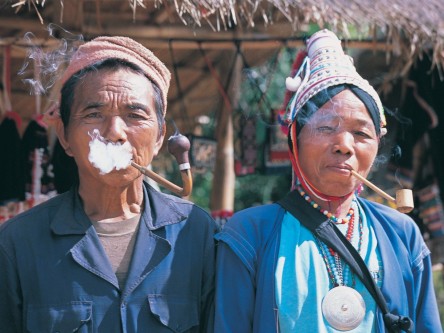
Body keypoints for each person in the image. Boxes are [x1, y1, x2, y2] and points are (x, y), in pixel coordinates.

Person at [214, 29, 442, 332]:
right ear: (295, 138)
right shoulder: (249, 235)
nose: (345, 145)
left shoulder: (402, 235)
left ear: (377, 144)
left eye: (361, 133)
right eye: (325, 128)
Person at [0, 36, 217, 332]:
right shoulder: (17, 242)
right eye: (94, 114)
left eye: (134, 115)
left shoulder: (197, 233)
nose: (114, 132)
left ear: (158, 137)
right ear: (64, 135)